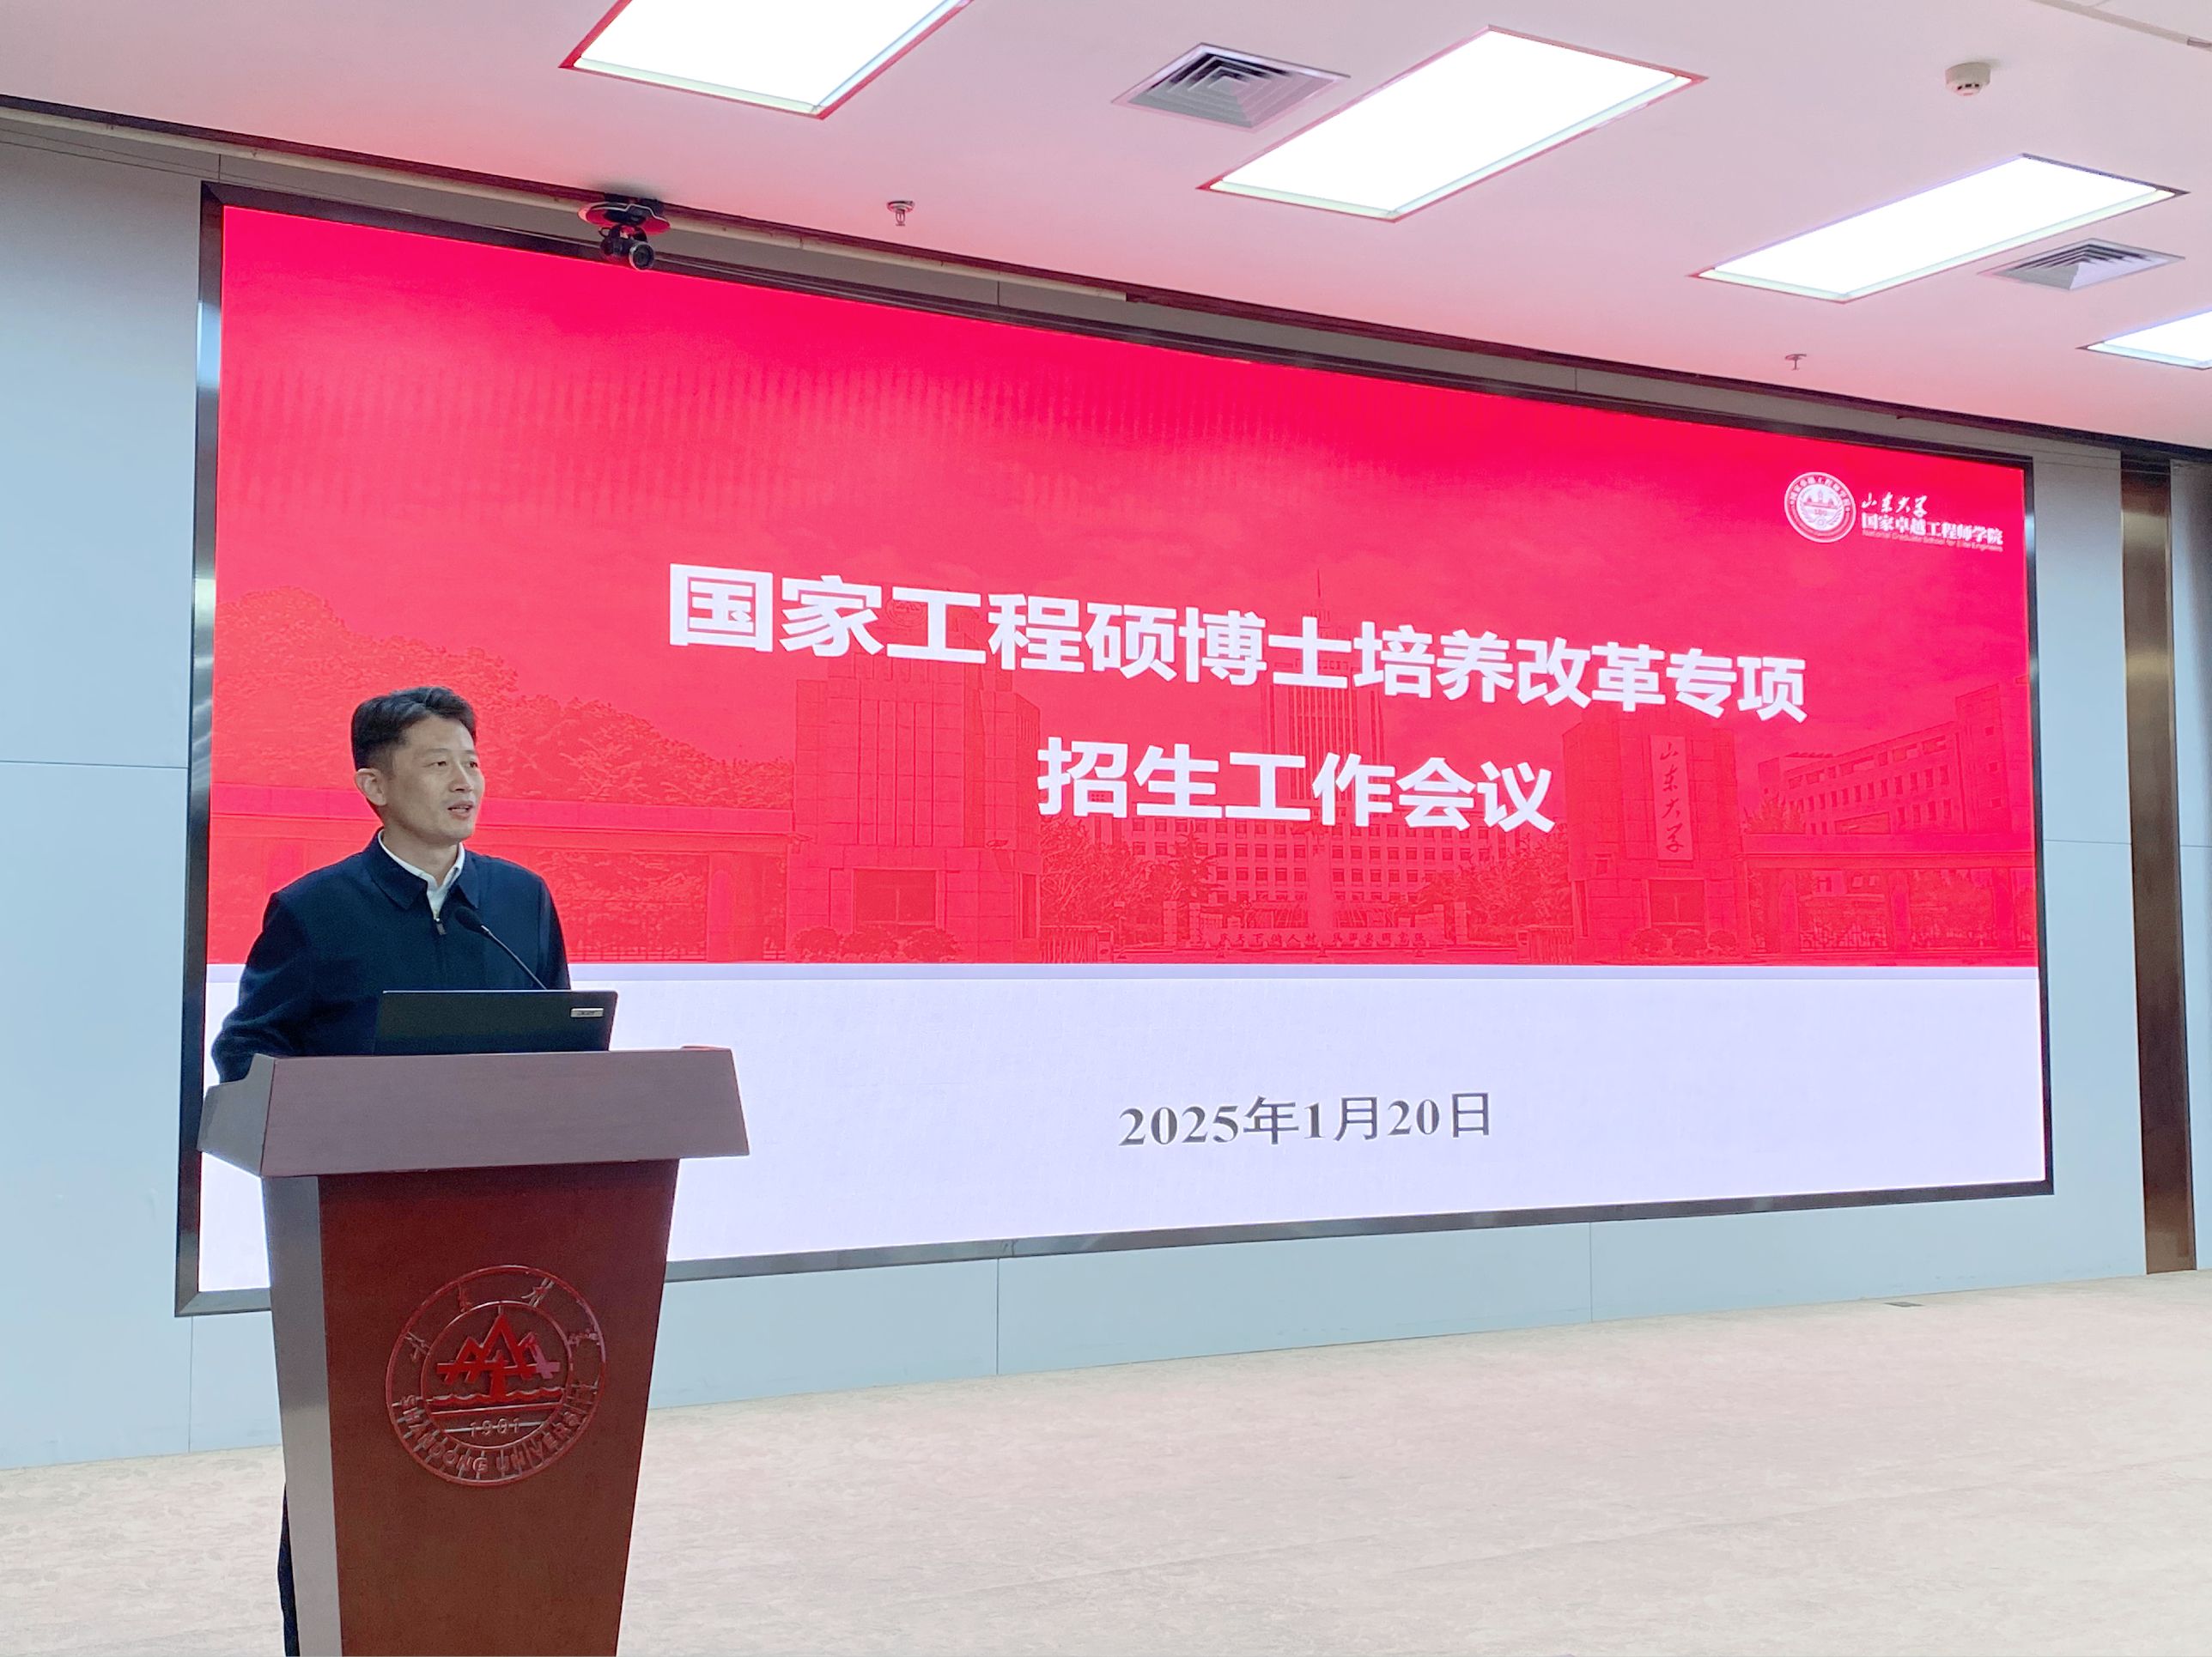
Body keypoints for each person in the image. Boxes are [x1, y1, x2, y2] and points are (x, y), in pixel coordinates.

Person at [211, 685, 570, 1654]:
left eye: (473, 761)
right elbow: (245, 1053)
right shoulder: (316, 910)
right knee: (354, 1453)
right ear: (374, 785)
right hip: (363, 1238)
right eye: (436, 762)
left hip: (508, 1240)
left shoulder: (522, 901)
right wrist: (339, 1118)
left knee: (496, 1447)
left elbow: (564, 1050)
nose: (464, 781)